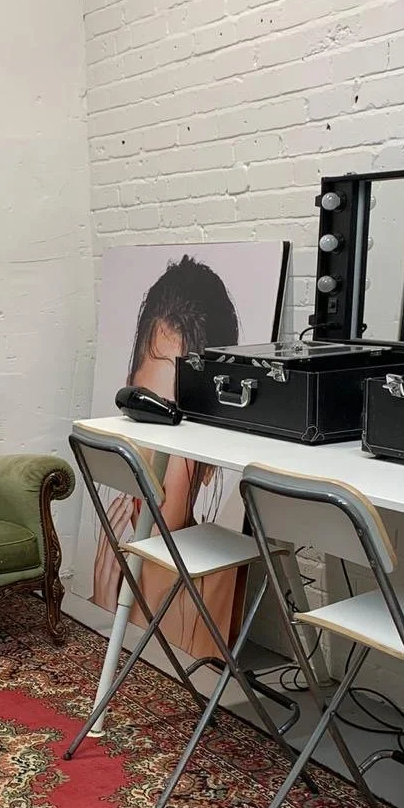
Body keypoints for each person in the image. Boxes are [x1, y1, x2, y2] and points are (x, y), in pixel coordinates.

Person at [91, 255, 245, 659]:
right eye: (144, 411)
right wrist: (102, 604)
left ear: (211, 459)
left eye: (176, 422)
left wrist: (113, 619)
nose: (150, 466)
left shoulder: (215, 584)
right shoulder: (109, 562)